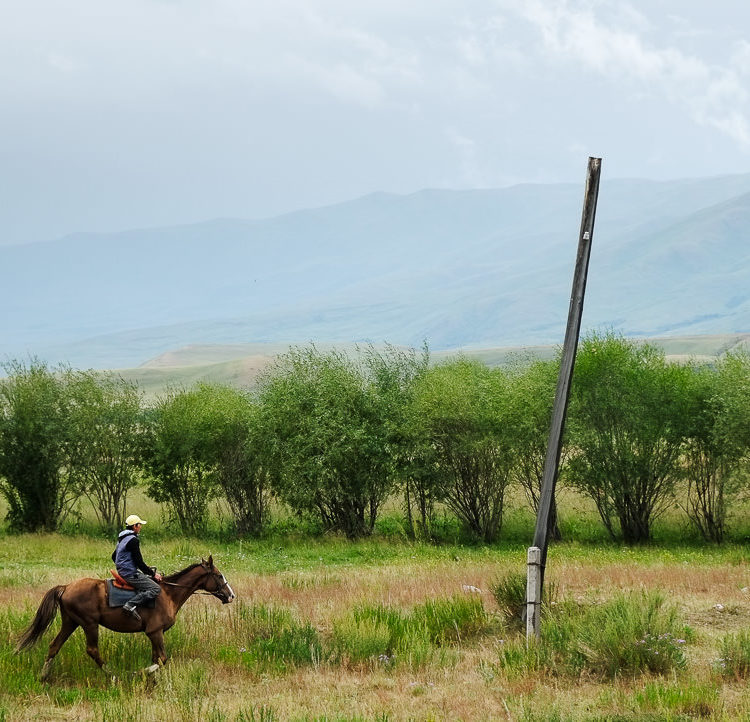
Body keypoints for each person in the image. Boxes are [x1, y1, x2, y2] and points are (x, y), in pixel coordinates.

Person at [112, 514, 163, 621]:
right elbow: (139, 562)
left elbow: (113, 556)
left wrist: (124, 565)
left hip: (123, 571)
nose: (141, 527)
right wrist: (153, 574)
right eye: (139, 525)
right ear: (135, 526)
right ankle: (130, 604)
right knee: (155, 588)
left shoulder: (122, 538)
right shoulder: (133, 540)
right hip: (129, 574)